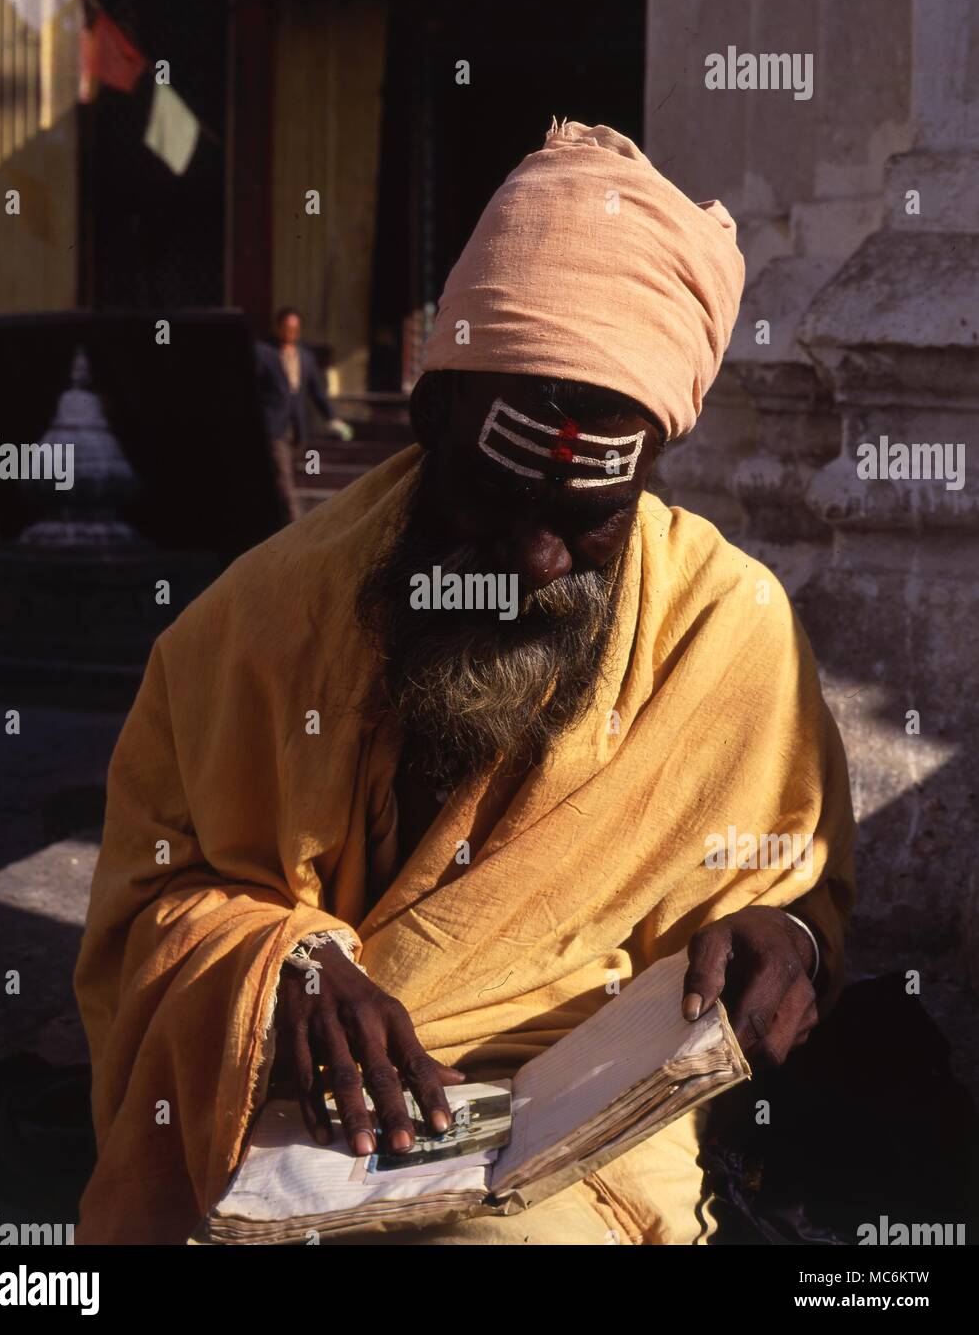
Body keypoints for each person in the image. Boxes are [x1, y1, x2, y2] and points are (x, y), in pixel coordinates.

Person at [74, 120, 855, 1245]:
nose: (534, 561)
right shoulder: (251, 625)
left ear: (648, 476)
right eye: (495, 496)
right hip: (292, 1126)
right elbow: (143, 903)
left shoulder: (730, 633)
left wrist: (787, 940)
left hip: (575, 1144)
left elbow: (794, 885)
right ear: (427, 411)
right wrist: (279, 971)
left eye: (585, 521)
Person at [256, 306, 353, 523]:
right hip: (273, 429)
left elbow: (317, 392)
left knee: (286, 479)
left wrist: (332, 418)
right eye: (287, 328)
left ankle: (274, 523)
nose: (290, 333)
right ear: (278, 328)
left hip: (297, 429)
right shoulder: (263, 353)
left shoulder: (305, 357)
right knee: (285, 482)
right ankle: (296, 527)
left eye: (295, 329)